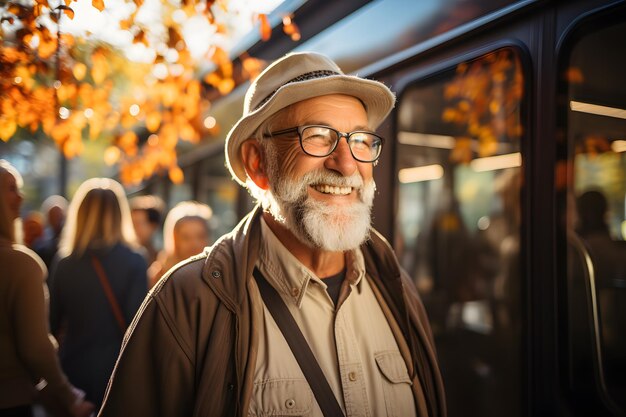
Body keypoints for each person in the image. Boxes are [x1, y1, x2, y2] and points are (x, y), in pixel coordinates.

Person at [98, 52, 446, 416]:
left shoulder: (396, 289)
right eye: (316, 136)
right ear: (258, 163)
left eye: (359, 140)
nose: (347, 165)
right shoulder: (187, 302)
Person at [0, 160, 94, 417]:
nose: (20, 196)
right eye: (10, 188)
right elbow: (35, 346)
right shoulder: (20, 264)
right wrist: (67, 395)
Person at [48, 178, 148, 409]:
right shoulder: (135, 261)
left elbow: (52, 324)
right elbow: (137, 326)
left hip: (72, 367)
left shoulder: (65, 263)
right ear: (119, 214)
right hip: (117, 370)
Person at [148, 200, 212, 288]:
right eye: (186, 237)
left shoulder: (216, 274)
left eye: (200, 236)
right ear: (174, 240)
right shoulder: (158, 276)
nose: (194, 244)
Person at [34, 195, 69, 269]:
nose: (57, 219)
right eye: (53, 216)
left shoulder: (70, 239)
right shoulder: (41, 242)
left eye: (59, 216)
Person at [129, 195, 164, 266]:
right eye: (131, 223)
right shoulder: (127, 255)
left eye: (138, 223)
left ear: (153, 226)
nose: (133, 227)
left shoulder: (163, 258)